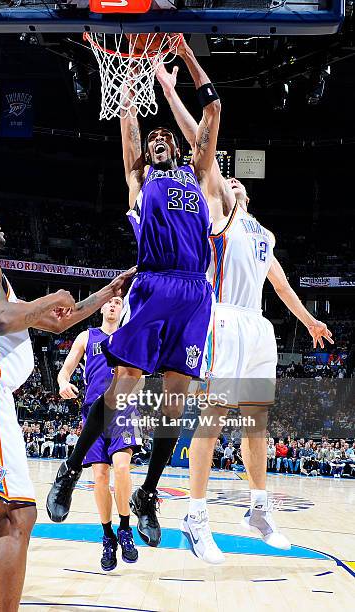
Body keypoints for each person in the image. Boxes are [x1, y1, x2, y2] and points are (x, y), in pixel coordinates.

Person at [155, 58, 334, 563]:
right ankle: (195, 515)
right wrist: (170, 88)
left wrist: (308, 320)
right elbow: (201, 145)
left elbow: (279, 284)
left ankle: (258, 508)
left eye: (237, 184)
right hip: (223, 317)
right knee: (212, 417)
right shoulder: (220, 214)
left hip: (259, 327)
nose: (229, 183)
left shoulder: (262, 233)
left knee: (256, 421)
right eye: (223, 181)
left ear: (248, 194)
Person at [47, 36, 221, 550]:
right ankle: (73, 466)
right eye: (154, 138)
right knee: (121, 390)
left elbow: (212, 110)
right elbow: (129, 124)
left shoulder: (201, 175)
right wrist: (128, 85)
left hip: (195, 293)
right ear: (148, 151)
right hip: (152, 282)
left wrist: (185, 56)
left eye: (168, 136)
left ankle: (147, 494)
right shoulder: (138, 182)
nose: (160, 140)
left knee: (175, 402)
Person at [0, 206, 135, 612]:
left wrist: (109, 291)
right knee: (18, 515)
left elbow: (59, 321)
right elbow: (0, 320)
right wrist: (52, 296)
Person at [56, 296, 139, 570]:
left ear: (123, 310)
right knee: (100, 477)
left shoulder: (131, 335)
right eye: (110, 302)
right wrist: (62, 383)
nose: (114, 305)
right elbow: (65, 370)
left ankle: (125, 529)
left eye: (118, 302)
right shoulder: (86, 336)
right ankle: (107, 536)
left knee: (122, 467)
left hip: (124, 409)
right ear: (103, 308)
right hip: (92, 413)